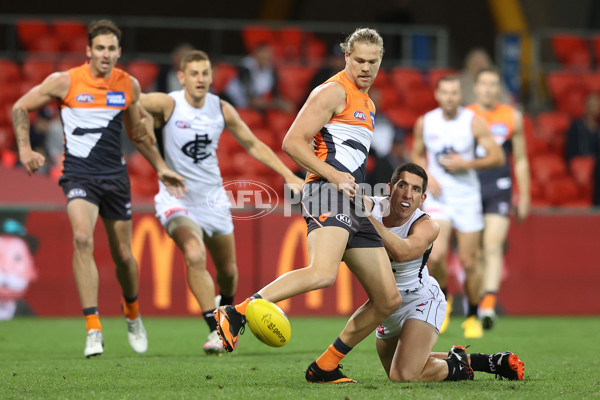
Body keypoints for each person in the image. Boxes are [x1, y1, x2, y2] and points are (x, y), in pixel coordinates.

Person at [215, 28, 402, 383]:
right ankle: (237, 312)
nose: (365, 67)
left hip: (351, 200)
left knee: (387, 299)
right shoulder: (332, 91)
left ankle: (325, 366)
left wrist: (357, 188)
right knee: (322, 273)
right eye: (358, 60)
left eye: (372, 62)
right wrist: (333, 175)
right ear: (346, 57)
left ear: (380, 62)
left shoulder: (368, 102)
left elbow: (348, 156)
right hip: (325, 192)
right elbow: (292, 142)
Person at [11, 19, 187, 358]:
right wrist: (24, 149)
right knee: (82, 238)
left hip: (115, 178)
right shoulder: (65, 81)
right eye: (100, 48)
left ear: (119, 52)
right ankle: (93, 327)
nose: (105, 54)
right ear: (88, 50)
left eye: (111, 49)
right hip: (78, 175)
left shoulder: (128, 85)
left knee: (123, 256)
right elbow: (21, 106)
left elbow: (137, 132)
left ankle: (132, 313)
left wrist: (162, 167)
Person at [138, 49, 304, 354]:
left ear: (212, 77)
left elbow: (252, 143)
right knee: (194, 253)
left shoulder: (221, 108)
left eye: (205, 73)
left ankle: (227, 313)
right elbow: (133, 102)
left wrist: (288, 174)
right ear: (182, 77)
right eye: (194, 73)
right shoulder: (169, 103)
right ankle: (216, 330)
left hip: (213, 201)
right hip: (177, 199)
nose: (200, 79)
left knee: (227, 271)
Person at [362, 162, 524, 382]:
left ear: (423, 199)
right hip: (388, 310)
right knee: (403, 366)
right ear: (390, 188)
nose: (408, 194)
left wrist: (367, 219)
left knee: (403, 375)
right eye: (402, 185)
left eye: (416, 189)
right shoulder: (373, 207)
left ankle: (459, 366)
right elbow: (343, 199)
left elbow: (401, 252)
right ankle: (483, 361)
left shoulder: (425, 224)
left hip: (419, 301)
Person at [411, 75, 504, 339]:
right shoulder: (426, 122)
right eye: (445, 93)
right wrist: (427, 174)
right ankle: (445, 299)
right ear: (438, 95)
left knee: (468, 262)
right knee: (436, 256)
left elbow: (497, 155)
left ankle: (473, 314)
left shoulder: (472, 122)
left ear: (459, 96)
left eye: (454, 93)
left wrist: (467, 164)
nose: (450, 97)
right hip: (439, 199)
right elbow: (416, 153)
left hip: (467, 199)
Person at [466, 67, 530, 329]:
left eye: (494, 84)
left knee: (493, 245)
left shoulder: (512, 116)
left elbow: (522, 159)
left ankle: (489, 303)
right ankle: (481, 302)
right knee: (476, 253)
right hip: (471, 186)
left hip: (500, 186)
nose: (489, 89)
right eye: (484, 84)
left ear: (499, 88)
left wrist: (524, 194)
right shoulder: (466, 116)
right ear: (477, 88)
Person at [223, 42, 294, 113]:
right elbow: (252, 101)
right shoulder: (245, 67)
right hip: (231, 102)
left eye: (270, 53)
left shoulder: (270, 71)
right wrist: (275, 104)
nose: (268, 56)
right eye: (264, 52)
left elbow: (275, 93)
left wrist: (282, 102)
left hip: (252, 106)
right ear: (256, 54)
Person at [564, 92, 600, 205]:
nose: (593, 108)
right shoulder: (576, 126)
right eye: (591, 104)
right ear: (585, 106)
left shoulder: (598, 129)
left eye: (596, 105)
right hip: (580, 162)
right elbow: (570, 151)